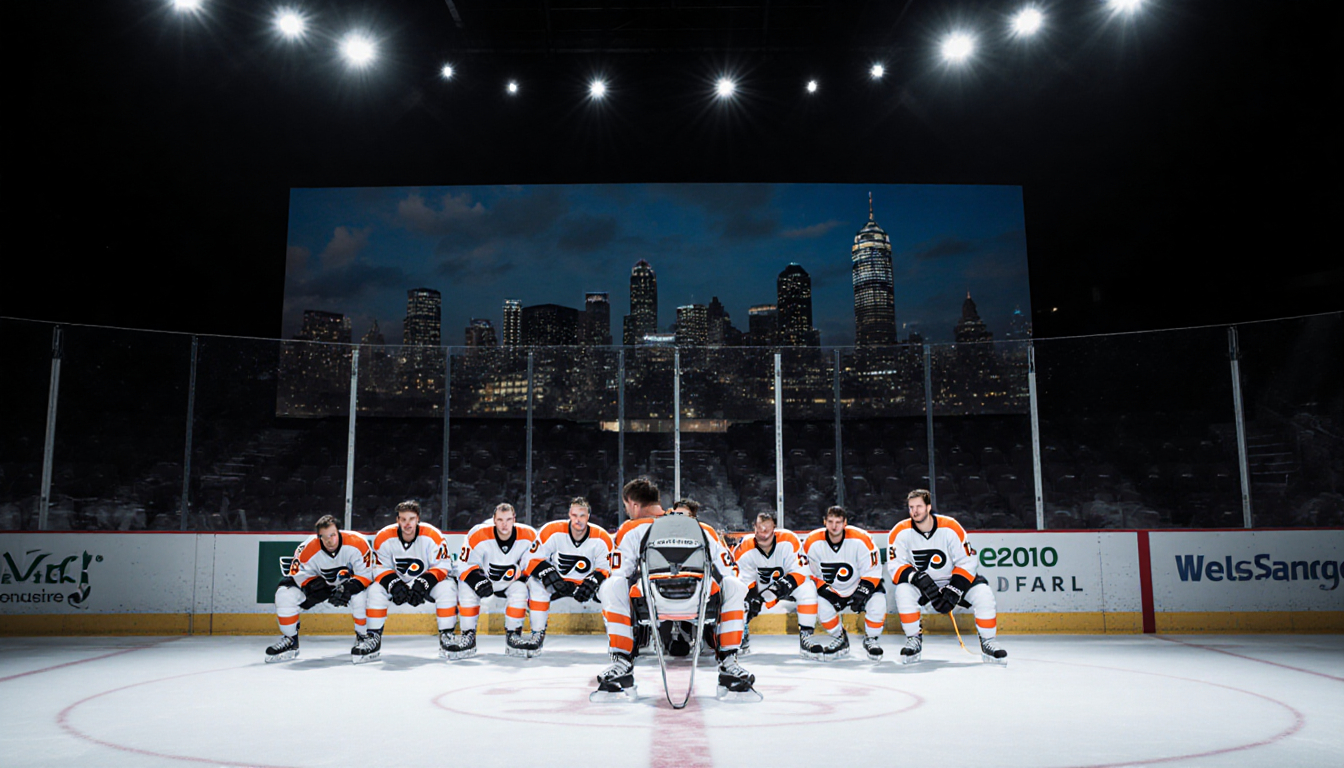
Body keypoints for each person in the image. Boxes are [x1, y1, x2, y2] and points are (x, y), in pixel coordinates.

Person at [594, 478, 753, 696]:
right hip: (700, 601)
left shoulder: (632, 528)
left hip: (652, 603)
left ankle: (622, 662)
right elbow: (730, 571)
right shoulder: (702, 528)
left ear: (634, 505)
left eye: (626, 506)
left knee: (612, 585)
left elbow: (619, 572)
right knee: (734, 585)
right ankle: (729, 663)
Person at [889, 489, 1006, 663]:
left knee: (983, 593)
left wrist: (955, 588)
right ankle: (914, 639)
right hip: (923, 585)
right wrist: (917, 578)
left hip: (952, 580)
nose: (915, 511)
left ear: (928, 507)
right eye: (911, 507)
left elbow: (967, 561)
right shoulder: (900, 531)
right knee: (903, 591)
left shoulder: (950, 527)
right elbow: (895, 566)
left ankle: (988, 641)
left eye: (919, 506)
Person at [265, 514, 375, 663]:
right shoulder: (307, 549)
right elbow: (296, 576)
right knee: (284, 594)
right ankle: (290, 640)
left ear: (339, 531)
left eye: (333, 535)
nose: (330, 541)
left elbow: (366, 575)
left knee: (365, 595)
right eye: (324, 537)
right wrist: (312, 585)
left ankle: (364, 637)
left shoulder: (358, 542)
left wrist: (348, 588)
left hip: (350, 586)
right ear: (318, 536)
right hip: (322, 586)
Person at [445, 503, 538, 658]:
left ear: (514, 519)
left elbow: (535, 562)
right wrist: (477, 580)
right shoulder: (478, 533)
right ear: (494, 520)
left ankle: (514, 635)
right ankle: (468, 636)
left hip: (510, 582)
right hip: (484, 579)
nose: (504, 524)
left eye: (508, 519)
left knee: (520, 590)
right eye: (500, 520)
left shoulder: (529, 535)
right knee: (466, 587)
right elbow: (463, 564)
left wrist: (524, 576)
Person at [366, 500, 457, 659]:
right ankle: (372, 637)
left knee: (447, 588)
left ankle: (447, 635)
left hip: (425, 582)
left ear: (418, 519)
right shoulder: (384, 537)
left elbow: (443, 566)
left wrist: (423, 583)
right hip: (397, 581)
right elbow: (379, 568)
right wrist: (394, 584)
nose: (407, 524)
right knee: (375, 590)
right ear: (397, 520)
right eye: (403, 519)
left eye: (411, 519)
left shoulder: (432, 535)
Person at [523, 497, 614, 656]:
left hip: (586, 584)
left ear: (588, 516)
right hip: (557, 582)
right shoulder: (552, 531)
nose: (578, 520)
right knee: (535, 584)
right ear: (569, 515)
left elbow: (608, 568)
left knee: (611, 589)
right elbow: (529, 559)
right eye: (574, 515)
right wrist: (547, 573)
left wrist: (594, 581)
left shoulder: (601, 537)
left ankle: (616, 639)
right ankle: (537, 634)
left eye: (582, 516)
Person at [800, 506, 886, 661]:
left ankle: (871, 638)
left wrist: (862, 591)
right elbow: (807, 572)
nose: (834, 526)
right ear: (824, 522)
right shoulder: (812, 541)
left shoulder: (861, 539)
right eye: (830, 522)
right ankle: (840, 637)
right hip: (831, 589)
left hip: (858, 585)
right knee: (817, 603)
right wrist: (825, 590)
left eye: (838, 522)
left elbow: (873, 570)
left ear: (845, 523)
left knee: (878, 602)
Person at [732, 511, 819, 655]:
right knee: (738, 595)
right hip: (759, 587)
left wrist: (774, 591)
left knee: (807, 589)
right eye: (760, 527)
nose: (763, 532)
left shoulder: (789, 540)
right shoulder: (745, 546)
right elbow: (743, 580)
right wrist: (752, 599)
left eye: (767, 527)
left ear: (774, 528)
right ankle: (740, 634)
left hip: (784, 584)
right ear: (754, 527)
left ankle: (806, 636)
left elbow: (800, 572)